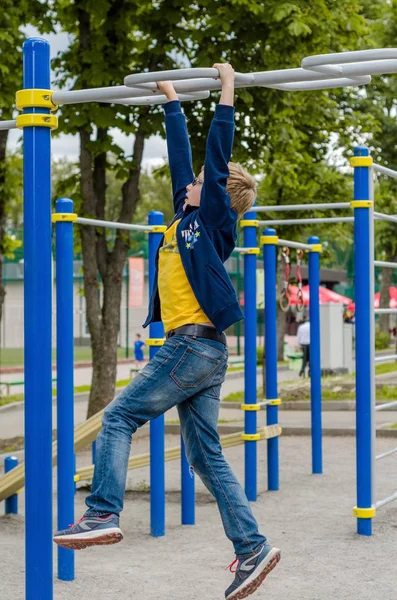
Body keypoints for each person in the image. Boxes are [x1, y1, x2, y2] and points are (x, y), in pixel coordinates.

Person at [53, 64, 280, 600]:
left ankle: (101, 513)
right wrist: (171, 100)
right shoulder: (184, 217)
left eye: (202, 181)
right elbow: (184, 158)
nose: (192, 182)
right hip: (200, 351)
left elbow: (213, 156)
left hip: (191, 344)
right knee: (204, 456)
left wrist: (227, 89)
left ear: (219, 193)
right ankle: (251, 548)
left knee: (118, 416)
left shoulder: (216, 223)